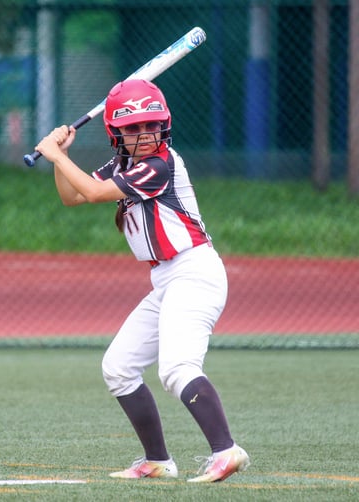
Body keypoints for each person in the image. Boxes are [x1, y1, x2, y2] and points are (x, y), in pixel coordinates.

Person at [34, 79, 250, 483]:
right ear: (117, 133)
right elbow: (71, 197)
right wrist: (62, 157)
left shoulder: (160, 164)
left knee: (177, 368)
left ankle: (226, 451)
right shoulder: (123, 165)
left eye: (151, 125)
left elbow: (94, 193)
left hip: (194, 272)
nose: (145, 134)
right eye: (133, 128)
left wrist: (55, 155)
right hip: (167, 279)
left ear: (163, 126)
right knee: (119, 367)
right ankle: (158, 461)